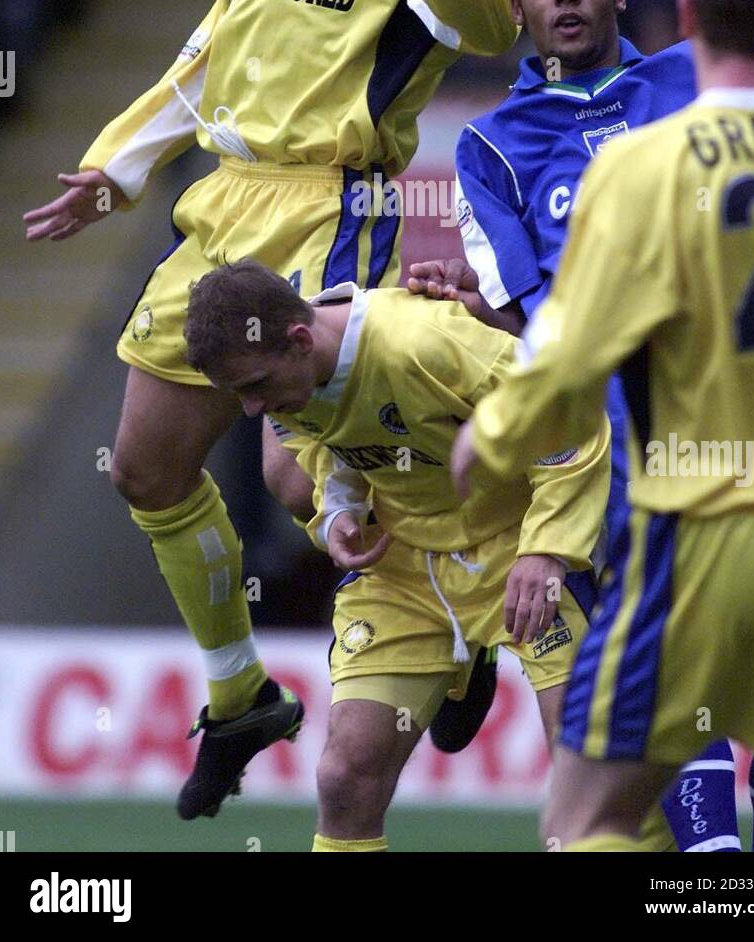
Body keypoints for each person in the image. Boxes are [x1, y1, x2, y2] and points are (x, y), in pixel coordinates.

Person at [22, 0, 517, 819]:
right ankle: (242, 693)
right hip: (226, 195)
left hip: (337, 202)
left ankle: (454, 620)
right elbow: (210, 51)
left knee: (296, 483)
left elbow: (497, 24)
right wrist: (115, 166)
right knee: (144, 469)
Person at [411, 0, 754, 852]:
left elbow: (563, 331)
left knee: (591, 813)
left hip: (681, 501)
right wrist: (480, 315)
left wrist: (500, 432)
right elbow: (529, 312)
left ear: (669, 8)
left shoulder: (642, 159)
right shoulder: (494, 146)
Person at [183, 257, 610, 853]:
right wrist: (339, 513)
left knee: (584, 769)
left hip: (516, 548)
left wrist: (547, 552)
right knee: (344, 777)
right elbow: (321, 439)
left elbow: (572, 421)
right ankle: (463, 666)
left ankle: (471, 660)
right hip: (402, 564)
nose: (252, 409)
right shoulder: (288, 380)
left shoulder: (425, 344)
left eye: (254, 387)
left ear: (301, 340)